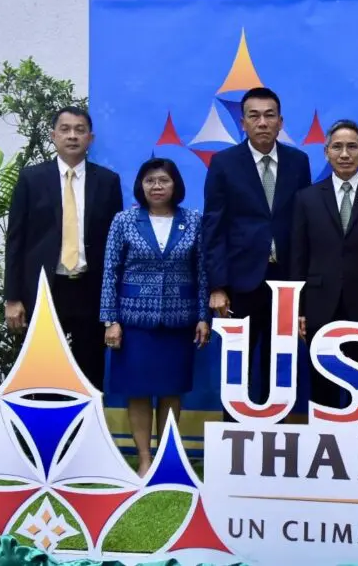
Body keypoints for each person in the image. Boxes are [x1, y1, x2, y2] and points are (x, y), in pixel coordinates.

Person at [99, 158, 210, 476]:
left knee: (171, 391)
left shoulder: (193, 220)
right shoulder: (124, 221)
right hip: (133, 323)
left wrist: (203, 316)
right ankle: (145, 458)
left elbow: (202, 272)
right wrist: (110, 319)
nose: (157, 186)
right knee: (137, 391)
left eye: (164, 180)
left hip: (179, 321)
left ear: (175, 185)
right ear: (141, 186)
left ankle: (166, 458)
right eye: (150, 181)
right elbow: (110, 271)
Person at [203, 87, 311, 406]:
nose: (262, 122)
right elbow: (214, 227)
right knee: (238, 367)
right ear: (243, 123)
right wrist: (217, 286)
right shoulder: (224, 163)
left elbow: (304, 224)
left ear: (280, 122)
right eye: (254, 116)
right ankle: (235, 432)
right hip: (241, 282)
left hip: (286, 283)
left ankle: (273, 429)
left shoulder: (298, 162)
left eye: (269, 115)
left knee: (279, 365)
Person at [4, 106, 123, 391]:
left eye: (80, 130)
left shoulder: (107, 181)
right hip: (45, 289)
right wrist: (12, 298)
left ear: (90, 138)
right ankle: (44, 421)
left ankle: (88, 420)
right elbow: (16, 240)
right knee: (43, 370)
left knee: (90, 371)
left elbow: (115, 245)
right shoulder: (31, 179)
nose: (72, 136)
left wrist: (113, 303)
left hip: (90, 289)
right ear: (53, 135)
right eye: (65, 129)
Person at [290, 120, 358, 410]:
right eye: (337, 147)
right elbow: (299, 256)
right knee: (321, 385)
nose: (345, 154)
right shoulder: (306, 198)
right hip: (319, 305)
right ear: (326, 152)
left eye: (352, 147)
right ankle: (324, 438)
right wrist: (298, 309)